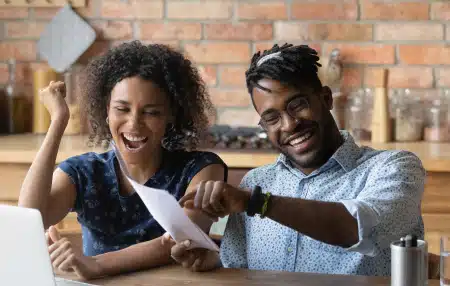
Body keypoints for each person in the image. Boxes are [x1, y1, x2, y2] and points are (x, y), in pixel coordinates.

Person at [167, 43, 425, 276]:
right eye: (272, 118)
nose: (290, 124)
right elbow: (240, 268)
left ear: (326, 99)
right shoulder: (257, 181)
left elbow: (361, 228)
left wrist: (259, 202)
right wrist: (213, 261)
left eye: (297, 105)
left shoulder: (393, 168)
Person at [18, 41, 227, 280]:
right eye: (122, 109)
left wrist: (95, 265)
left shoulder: (201, 169)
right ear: (106, 112)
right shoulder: (83, 172)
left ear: (171, 116)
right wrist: (58, 121)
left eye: (151, 112)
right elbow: (30, 217)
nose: (134, 124)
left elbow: (181, 240)